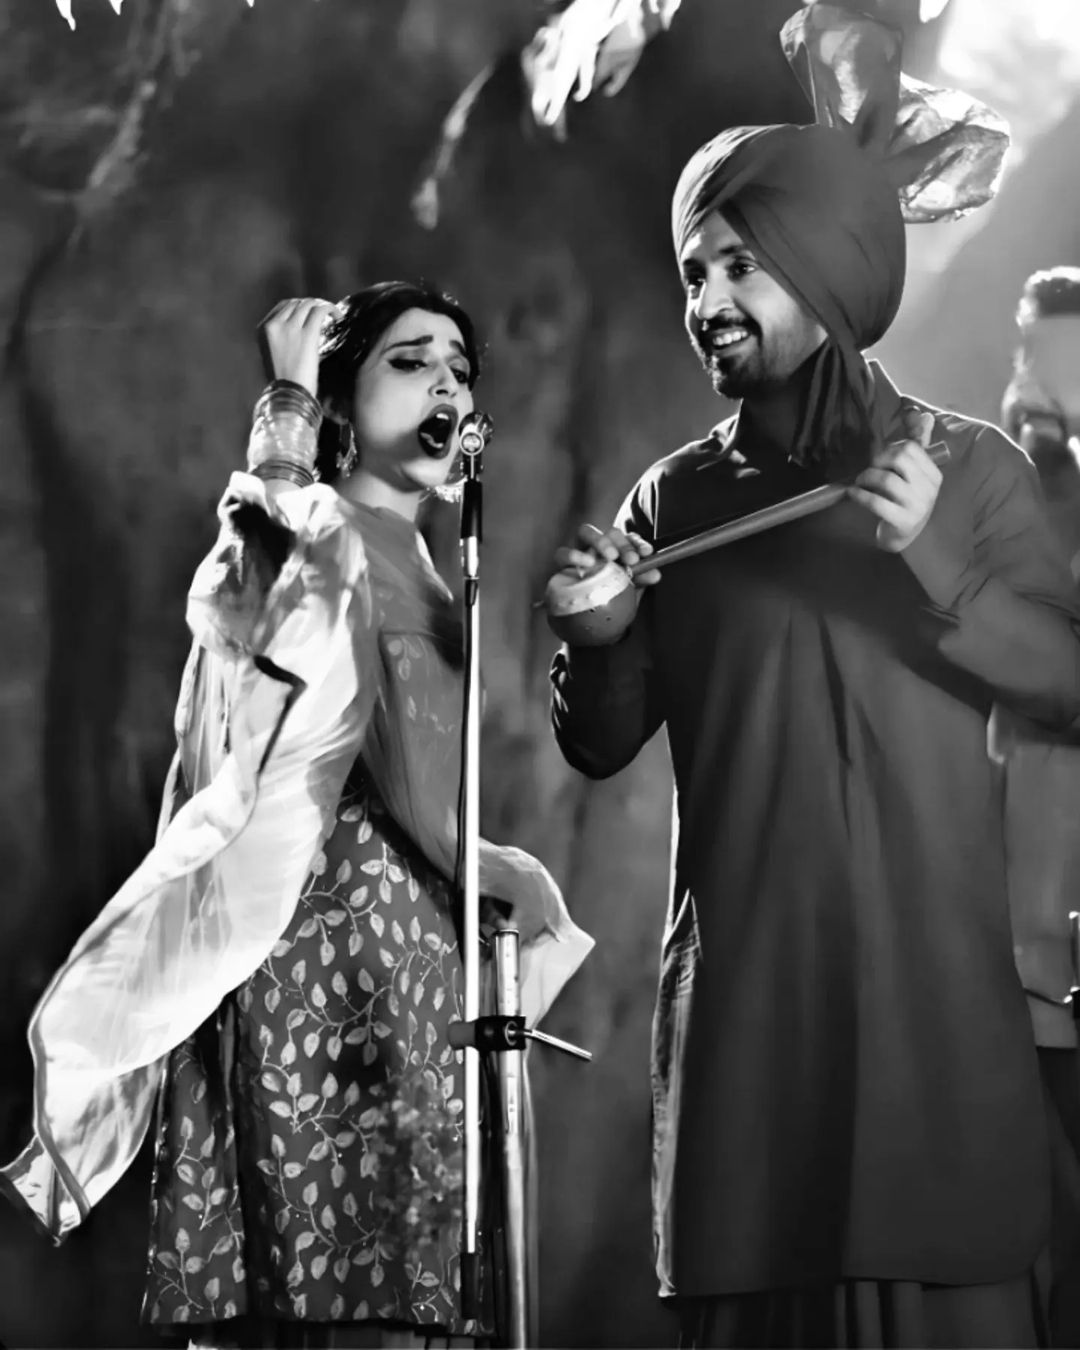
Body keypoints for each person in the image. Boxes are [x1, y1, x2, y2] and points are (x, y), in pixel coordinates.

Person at [547, 5, 1080, 1347]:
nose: (706, 303)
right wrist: (597, 641)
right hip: (749, 1063)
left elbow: (1070, 684)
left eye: (740, 266)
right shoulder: (674, 500)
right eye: (693, 272)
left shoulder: (969, 471)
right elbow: (602, 744)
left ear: (830, 266)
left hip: (932, 1044)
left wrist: (938, 563)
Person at [1, 281, 591, 1348]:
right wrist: (285, 409)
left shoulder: (425, 559)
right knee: (335, 1294)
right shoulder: (325, 527)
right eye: (411, 362)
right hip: (323, 960)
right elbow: (248, 614)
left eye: (461, 370)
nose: (448, 385)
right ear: (342, 403)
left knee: (407, 1284)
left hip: (407, 961)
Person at [994, 265, 1080, 1346]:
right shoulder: (1020, 505)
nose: (1027, 374)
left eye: (1050, 351)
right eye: (1026, 349)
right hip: (1019, 953)